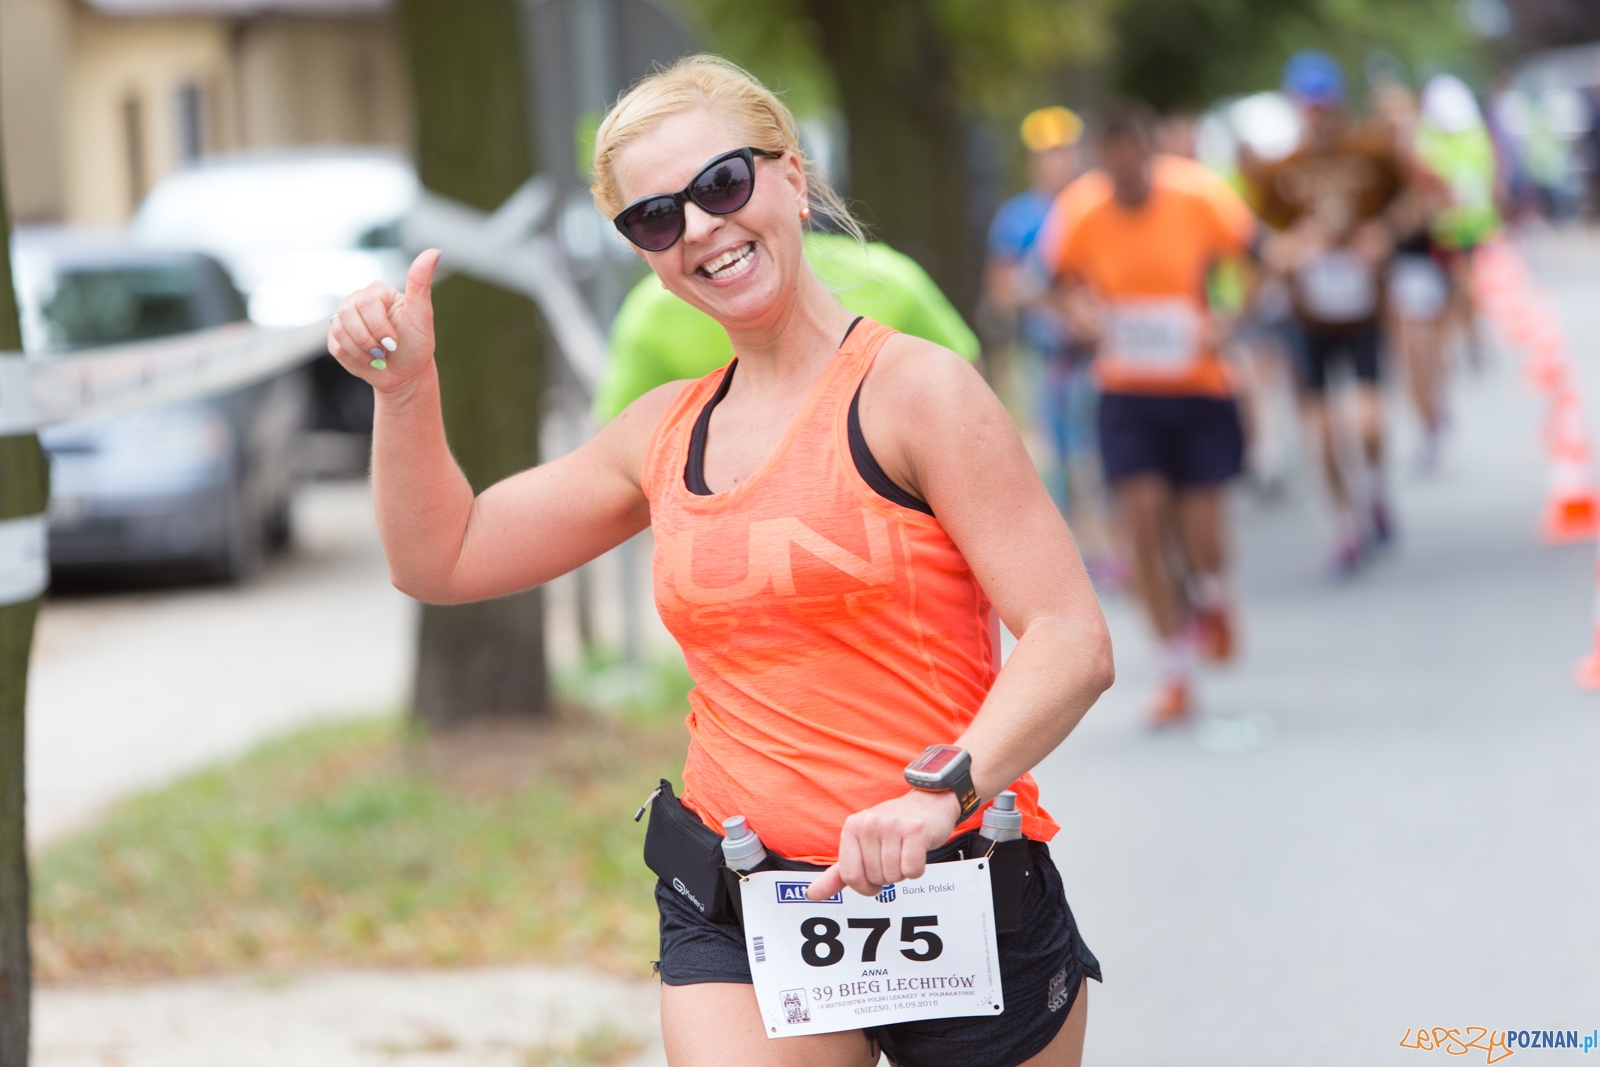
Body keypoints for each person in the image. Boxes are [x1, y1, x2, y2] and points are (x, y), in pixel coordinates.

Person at [326, 55, 1112, 1067]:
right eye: (655, 218)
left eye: (722, 184)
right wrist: (405, 392)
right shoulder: (660, 431)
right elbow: (444, 554)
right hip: (744, 902)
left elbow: (1069, 638)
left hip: (959, 882)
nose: (699, 227)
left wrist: (934, 796)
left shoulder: (920, 393)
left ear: (789, 175)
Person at [1046, 104, 1255, 726]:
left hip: (1199, 385)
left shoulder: (1199, 195)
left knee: (1198, 533)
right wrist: (1080, 316)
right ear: (1099, 164)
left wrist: (1231, 319)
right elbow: (1053, 281)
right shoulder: (1081, 209)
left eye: (1135, 162)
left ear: (1150, 153)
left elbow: (1257, 258)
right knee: (1141, 526)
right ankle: (1173, 670)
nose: (1126, 176)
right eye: (1113, 167)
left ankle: (1213, 593)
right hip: (1128, 389)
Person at [1250, 51, 1417, 576]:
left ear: (1339, 103)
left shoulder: (1372, 152)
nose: (1317, 114)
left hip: (1362, 310)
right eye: (1308, 105)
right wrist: (1288, 247)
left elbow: (1424, 198)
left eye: (1325, 104)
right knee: (1320, 430)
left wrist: (1384, 233)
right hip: (1308, 315)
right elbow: (1253, 235)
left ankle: (1374, 492)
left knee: (1367, 423)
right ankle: (1346, 524)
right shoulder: (1282, 170)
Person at [597, 231, 980, 421]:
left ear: (795, 181)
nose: (699, 227)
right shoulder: (891, 276)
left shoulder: (649, 310)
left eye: (725, 185)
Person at [983, 106, 1119, 586]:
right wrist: (1034, 290)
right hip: (1047, 354)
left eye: (1063, 151)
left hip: (1103, 351)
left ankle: (1111, 545)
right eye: (1046, 154)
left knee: (1102, 450)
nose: (1056, 162)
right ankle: (1078, 552)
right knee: (1057, 456)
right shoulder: (1018, 217)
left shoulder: (1099, 203)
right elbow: (1002, 288)